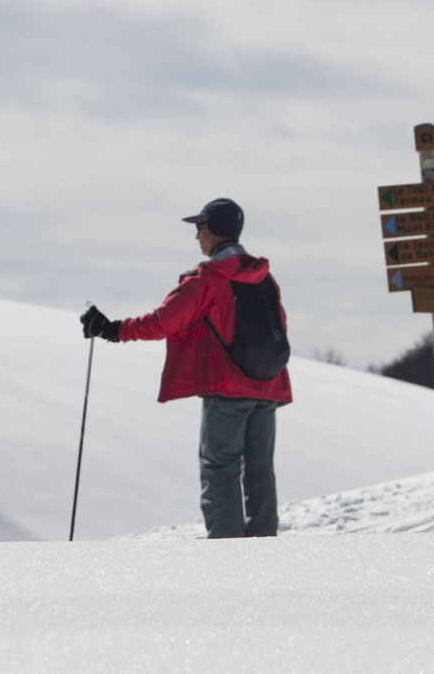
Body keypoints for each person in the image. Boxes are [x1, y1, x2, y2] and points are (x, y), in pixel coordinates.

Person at [79, 198, 292, 538]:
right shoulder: (265, 277)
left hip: (227, 388)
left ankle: (228, 550)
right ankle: (263, 545)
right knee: (260, 469)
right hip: (267, 386)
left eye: (201, 227)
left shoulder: (208, 278)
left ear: (217, 230)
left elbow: (163, 322)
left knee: (220, 466)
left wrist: (112, 329)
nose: (196, 236)